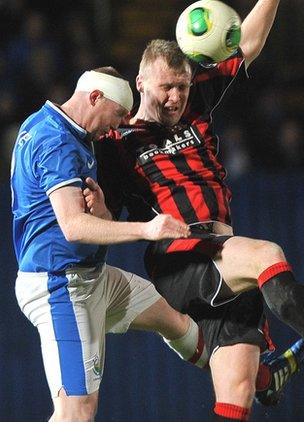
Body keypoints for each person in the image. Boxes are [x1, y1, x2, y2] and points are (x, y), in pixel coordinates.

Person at [93, 0, 304, 420]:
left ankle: (266, 378)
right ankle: (267, 375)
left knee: (237, 395)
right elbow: (101, 226)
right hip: (183, 259)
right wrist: (98, 208)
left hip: (224, 258)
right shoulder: (118, 145)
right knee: (267, 255)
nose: (175, 97)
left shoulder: (196, 102)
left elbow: (247, 43)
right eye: (165, 87)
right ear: (140, 82)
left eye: (182, 87)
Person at [10, 67, 211, 422]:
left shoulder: (54, 125)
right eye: (118, 115)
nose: (117, 127)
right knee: (77, 412)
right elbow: (73, 227)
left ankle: (251, 376)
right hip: (61, 286)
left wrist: (104, 215)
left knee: (175, 320)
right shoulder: (56, 141)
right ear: (95, 97)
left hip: (93, 277)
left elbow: (82, 221)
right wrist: (148, 230)